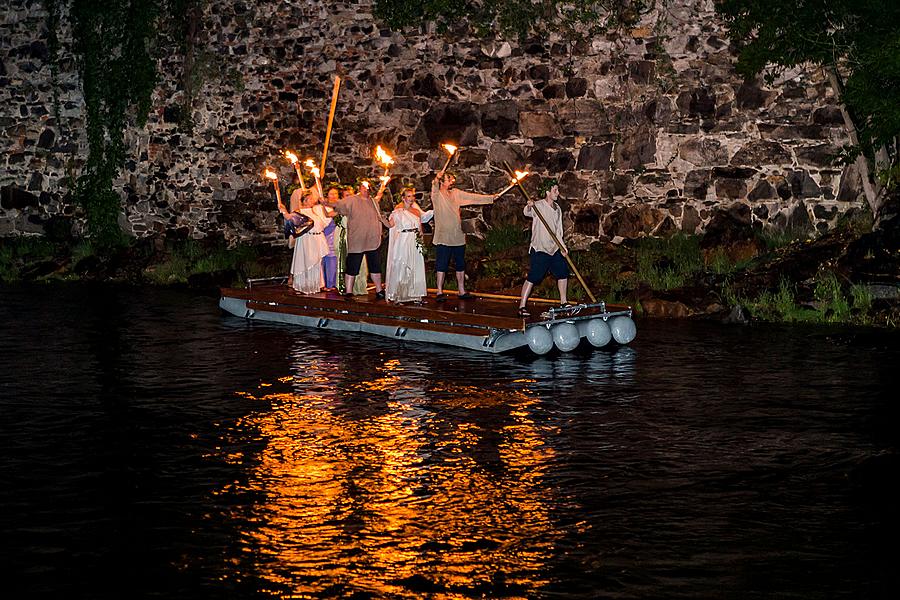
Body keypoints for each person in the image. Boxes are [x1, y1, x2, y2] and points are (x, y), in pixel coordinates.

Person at [430, 166, 498, 301]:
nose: (452, 181)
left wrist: (490, 198)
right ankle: (439, 292)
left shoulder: (456, 193)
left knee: (460, 264)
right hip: (444, 236)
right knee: (442, 264)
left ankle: (461, 291)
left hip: (457, 235)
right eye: (449, 179)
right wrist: (436, 178)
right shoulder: (437, 195)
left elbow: (472, 197)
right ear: (442, 182)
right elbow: (434, 187)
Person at [323, 179, 389, 299]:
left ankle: (379, 290)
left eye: (367, 186)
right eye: (363, 186)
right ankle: (349, 291)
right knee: (353, 266)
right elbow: (338, 205)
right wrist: (326, 203)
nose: (365, 188)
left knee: (375, 266)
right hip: (357, 240)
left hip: (372, 240)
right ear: (359, 188)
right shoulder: (352, 200)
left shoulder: (373, 202)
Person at [517, 178, 570, 316]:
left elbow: (559, 231)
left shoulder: (557, 209)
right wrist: (529, 206)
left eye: (557, 190)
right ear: (547, 192)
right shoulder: (538, 205)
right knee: (534, 276)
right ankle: (522, 306)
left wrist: (563, 247)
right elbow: (527, 213)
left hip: (554, 249)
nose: (557, 193)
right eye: (555, 190)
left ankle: (564, 302)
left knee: (563, 272)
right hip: (540, 248)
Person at [385, 186, 428, 304]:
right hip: (403, 240)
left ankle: (415, 294)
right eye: (409, 196)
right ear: (403, 198)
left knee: (415, 265)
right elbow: (390, 225)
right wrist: (381, 219)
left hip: (414, 240)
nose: (412, 198)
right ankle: (399, 294)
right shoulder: (398, 211)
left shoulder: (416, 212)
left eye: (413, 196)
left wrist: (421, 241)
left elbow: (420, 229)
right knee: (402, 265)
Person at [287, 189, 331, 294]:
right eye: (311, 198)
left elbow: (324, 221)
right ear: (305, 200)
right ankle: (303, 285)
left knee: (316, 263)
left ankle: (315, 285)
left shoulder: (315, 210)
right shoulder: (299, 212)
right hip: (306, 240)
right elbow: (292, 223)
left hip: (317, 239)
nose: (313, 200)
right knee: (305, 262)